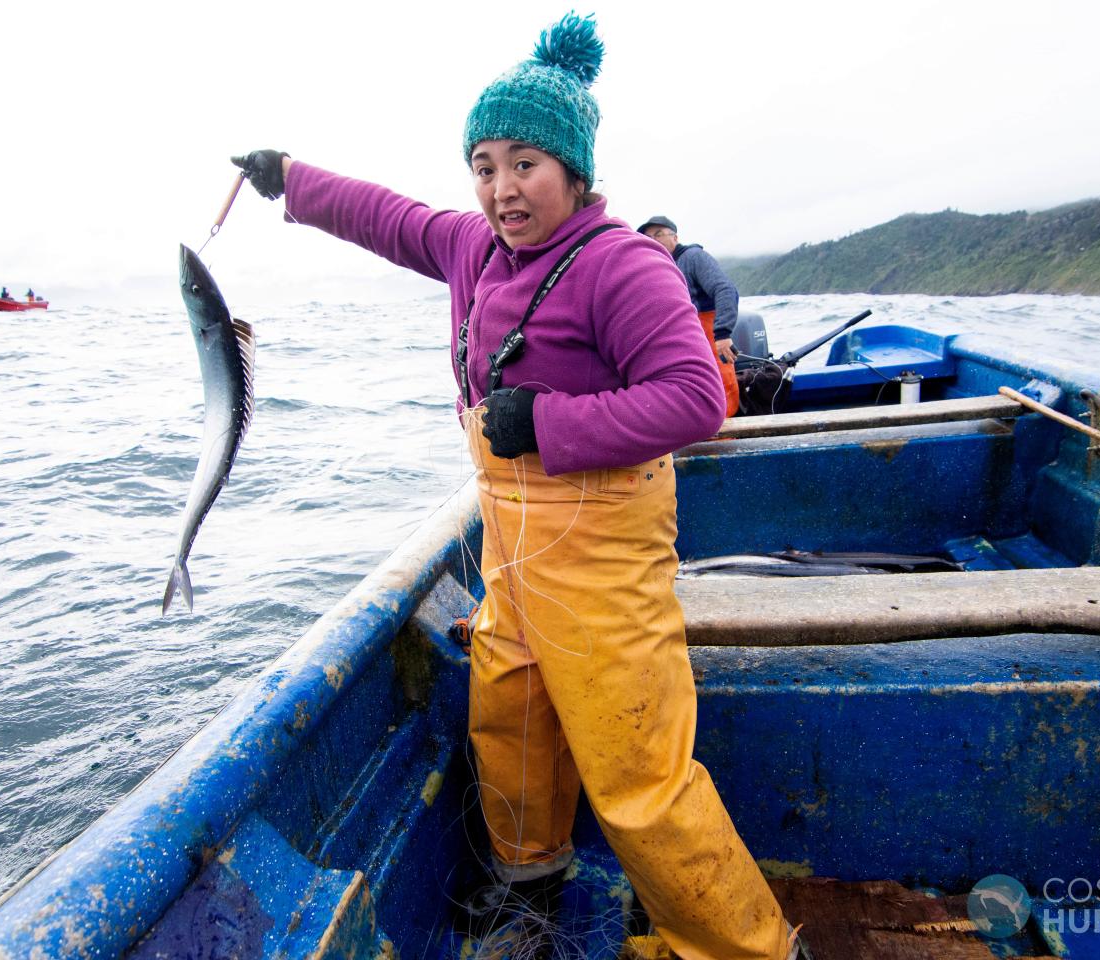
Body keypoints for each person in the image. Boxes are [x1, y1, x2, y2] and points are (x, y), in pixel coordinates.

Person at [231, 14, 798, 960]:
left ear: (574, 171)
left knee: (636, 772)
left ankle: (750, 946)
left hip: (608, 557)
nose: (501, 188)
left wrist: (548, 422)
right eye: (484, 165)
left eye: (525, 163)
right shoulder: (472, 249)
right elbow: (387, 216)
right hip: (517, 554)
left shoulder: (624, 265)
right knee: (510, 707)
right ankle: (529, 880)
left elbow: (698, 398)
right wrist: (291, 177)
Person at [638, 216, 742, 417]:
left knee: (719, 391)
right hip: (678, 342)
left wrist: (722, 334)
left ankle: (723, 443)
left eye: (659, 234)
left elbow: (725, 289)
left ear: (675, 237)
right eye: (647, 237)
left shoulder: (694, 257)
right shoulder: (655, 268)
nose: (653, 240)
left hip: (708, 337)